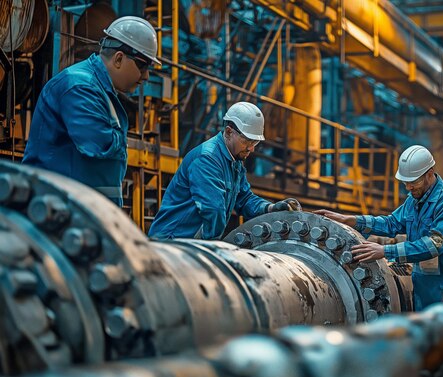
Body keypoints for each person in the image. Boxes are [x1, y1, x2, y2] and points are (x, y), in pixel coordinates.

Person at [23, 16, 160, 206]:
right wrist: (120, 138)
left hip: (79, 210)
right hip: (54, 209)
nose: (145, 76)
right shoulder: (79, 86)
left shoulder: (101, 91)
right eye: (143, 65)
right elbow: (98, 144)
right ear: (119, 58)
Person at [315, 145, 443, 310]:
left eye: (413, 182)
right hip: (423, 291)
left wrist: (385, 251)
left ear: (430, 174)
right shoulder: (414, 201)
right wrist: (352, 220)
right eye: (405, 182)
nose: (408, 188)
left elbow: (433, 245)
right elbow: (391, 223)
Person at [148, 101, 301, 240]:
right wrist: (213, 248)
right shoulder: (207, 159)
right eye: (247, 141)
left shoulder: (234, 161)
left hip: (188, 244)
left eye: (255, 142)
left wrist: (272, 208)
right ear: (228, 132)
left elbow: (245, 199)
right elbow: (213, 209)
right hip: (171, 243)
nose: (252, 148)